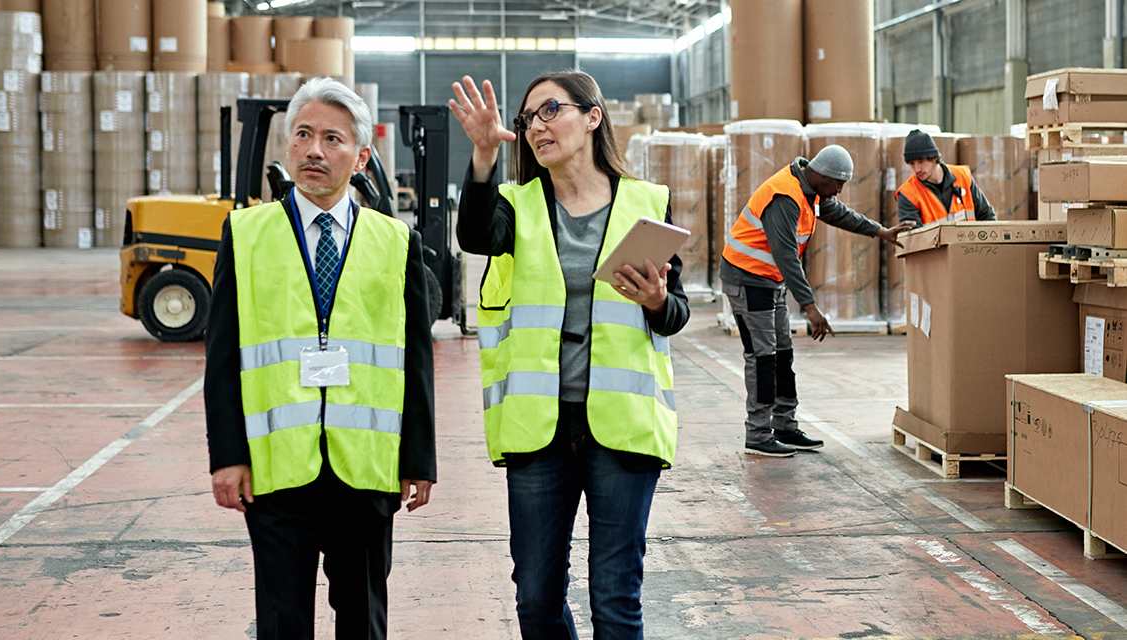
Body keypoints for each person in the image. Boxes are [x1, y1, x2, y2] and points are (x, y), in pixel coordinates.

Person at [451, 71, 689, 639]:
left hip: (622, 428)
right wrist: (484, 155)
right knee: (536, 598)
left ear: (593, 116)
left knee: (615, 598)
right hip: (540, 429)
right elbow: (475, 234)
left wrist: (658, 300)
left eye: (551, 110)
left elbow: (675, 314)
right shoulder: (516, 205)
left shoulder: (646, 203)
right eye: (527, 118)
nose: (537, 126)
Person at [204, 77, 436, 639]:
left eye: (332, 139)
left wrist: (418, 460)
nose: (313, 150)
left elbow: (416, 359)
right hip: (278, 466)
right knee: (283, 620)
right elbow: (222, 355)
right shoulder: (246, 233)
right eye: (303, 134)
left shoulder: (396, 241)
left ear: (360, 157)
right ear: (288, 146)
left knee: (363, 616)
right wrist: (227, 455)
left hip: (366, 466)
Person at [721, 146, 913, 458]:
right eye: (837, 184)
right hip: (747, 280)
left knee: (782, 354)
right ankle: (757, 434)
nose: (839, 191)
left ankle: (784, 424)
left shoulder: (811, 191)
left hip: (770, 280)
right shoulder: (784, 197)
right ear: (821, 175)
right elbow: (786, 257)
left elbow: (839, 213)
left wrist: (881, 232)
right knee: (762, 357)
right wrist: (810, 307)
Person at [896, 128, 995, 226]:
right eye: (912, 164)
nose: (917, 169)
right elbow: (914, 238)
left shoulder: (963, 177)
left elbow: (986, 215)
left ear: (934, 158)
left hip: (970, 242)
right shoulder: (908, 195)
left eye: (921, 162)